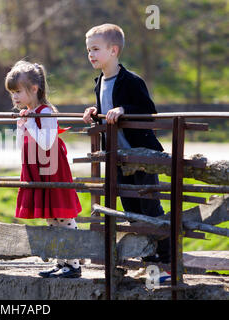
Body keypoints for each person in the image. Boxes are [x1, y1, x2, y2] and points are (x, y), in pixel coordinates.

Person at [82, 24, 171, 267]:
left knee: (149, 206)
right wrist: (95, 112)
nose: (91, 54)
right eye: (88, 49)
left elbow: (148, 111)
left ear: (113, 50)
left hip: (141, 155)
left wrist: (124, 110)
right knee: (130, 206)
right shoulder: (99, 81)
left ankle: (166, 256)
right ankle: (147, 251)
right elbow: (106, 109)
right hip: (118, 157)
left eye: (96, 49)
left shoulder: (131, 81)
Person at [5, 60, 83, 278]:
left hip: (52, 169)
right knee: (51, 217)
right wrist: (21, 127)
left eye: (18, 91)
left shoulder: (46, 111)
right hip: (37, 169)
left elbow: (47, 143)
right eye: (12, 93)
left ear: (34, 89)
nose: (15, 97)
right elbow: (22, 147)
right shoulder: (29, 114)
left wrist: (30, 123)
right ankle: (62, 262)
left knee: (63, 215)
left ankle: (74, 264)